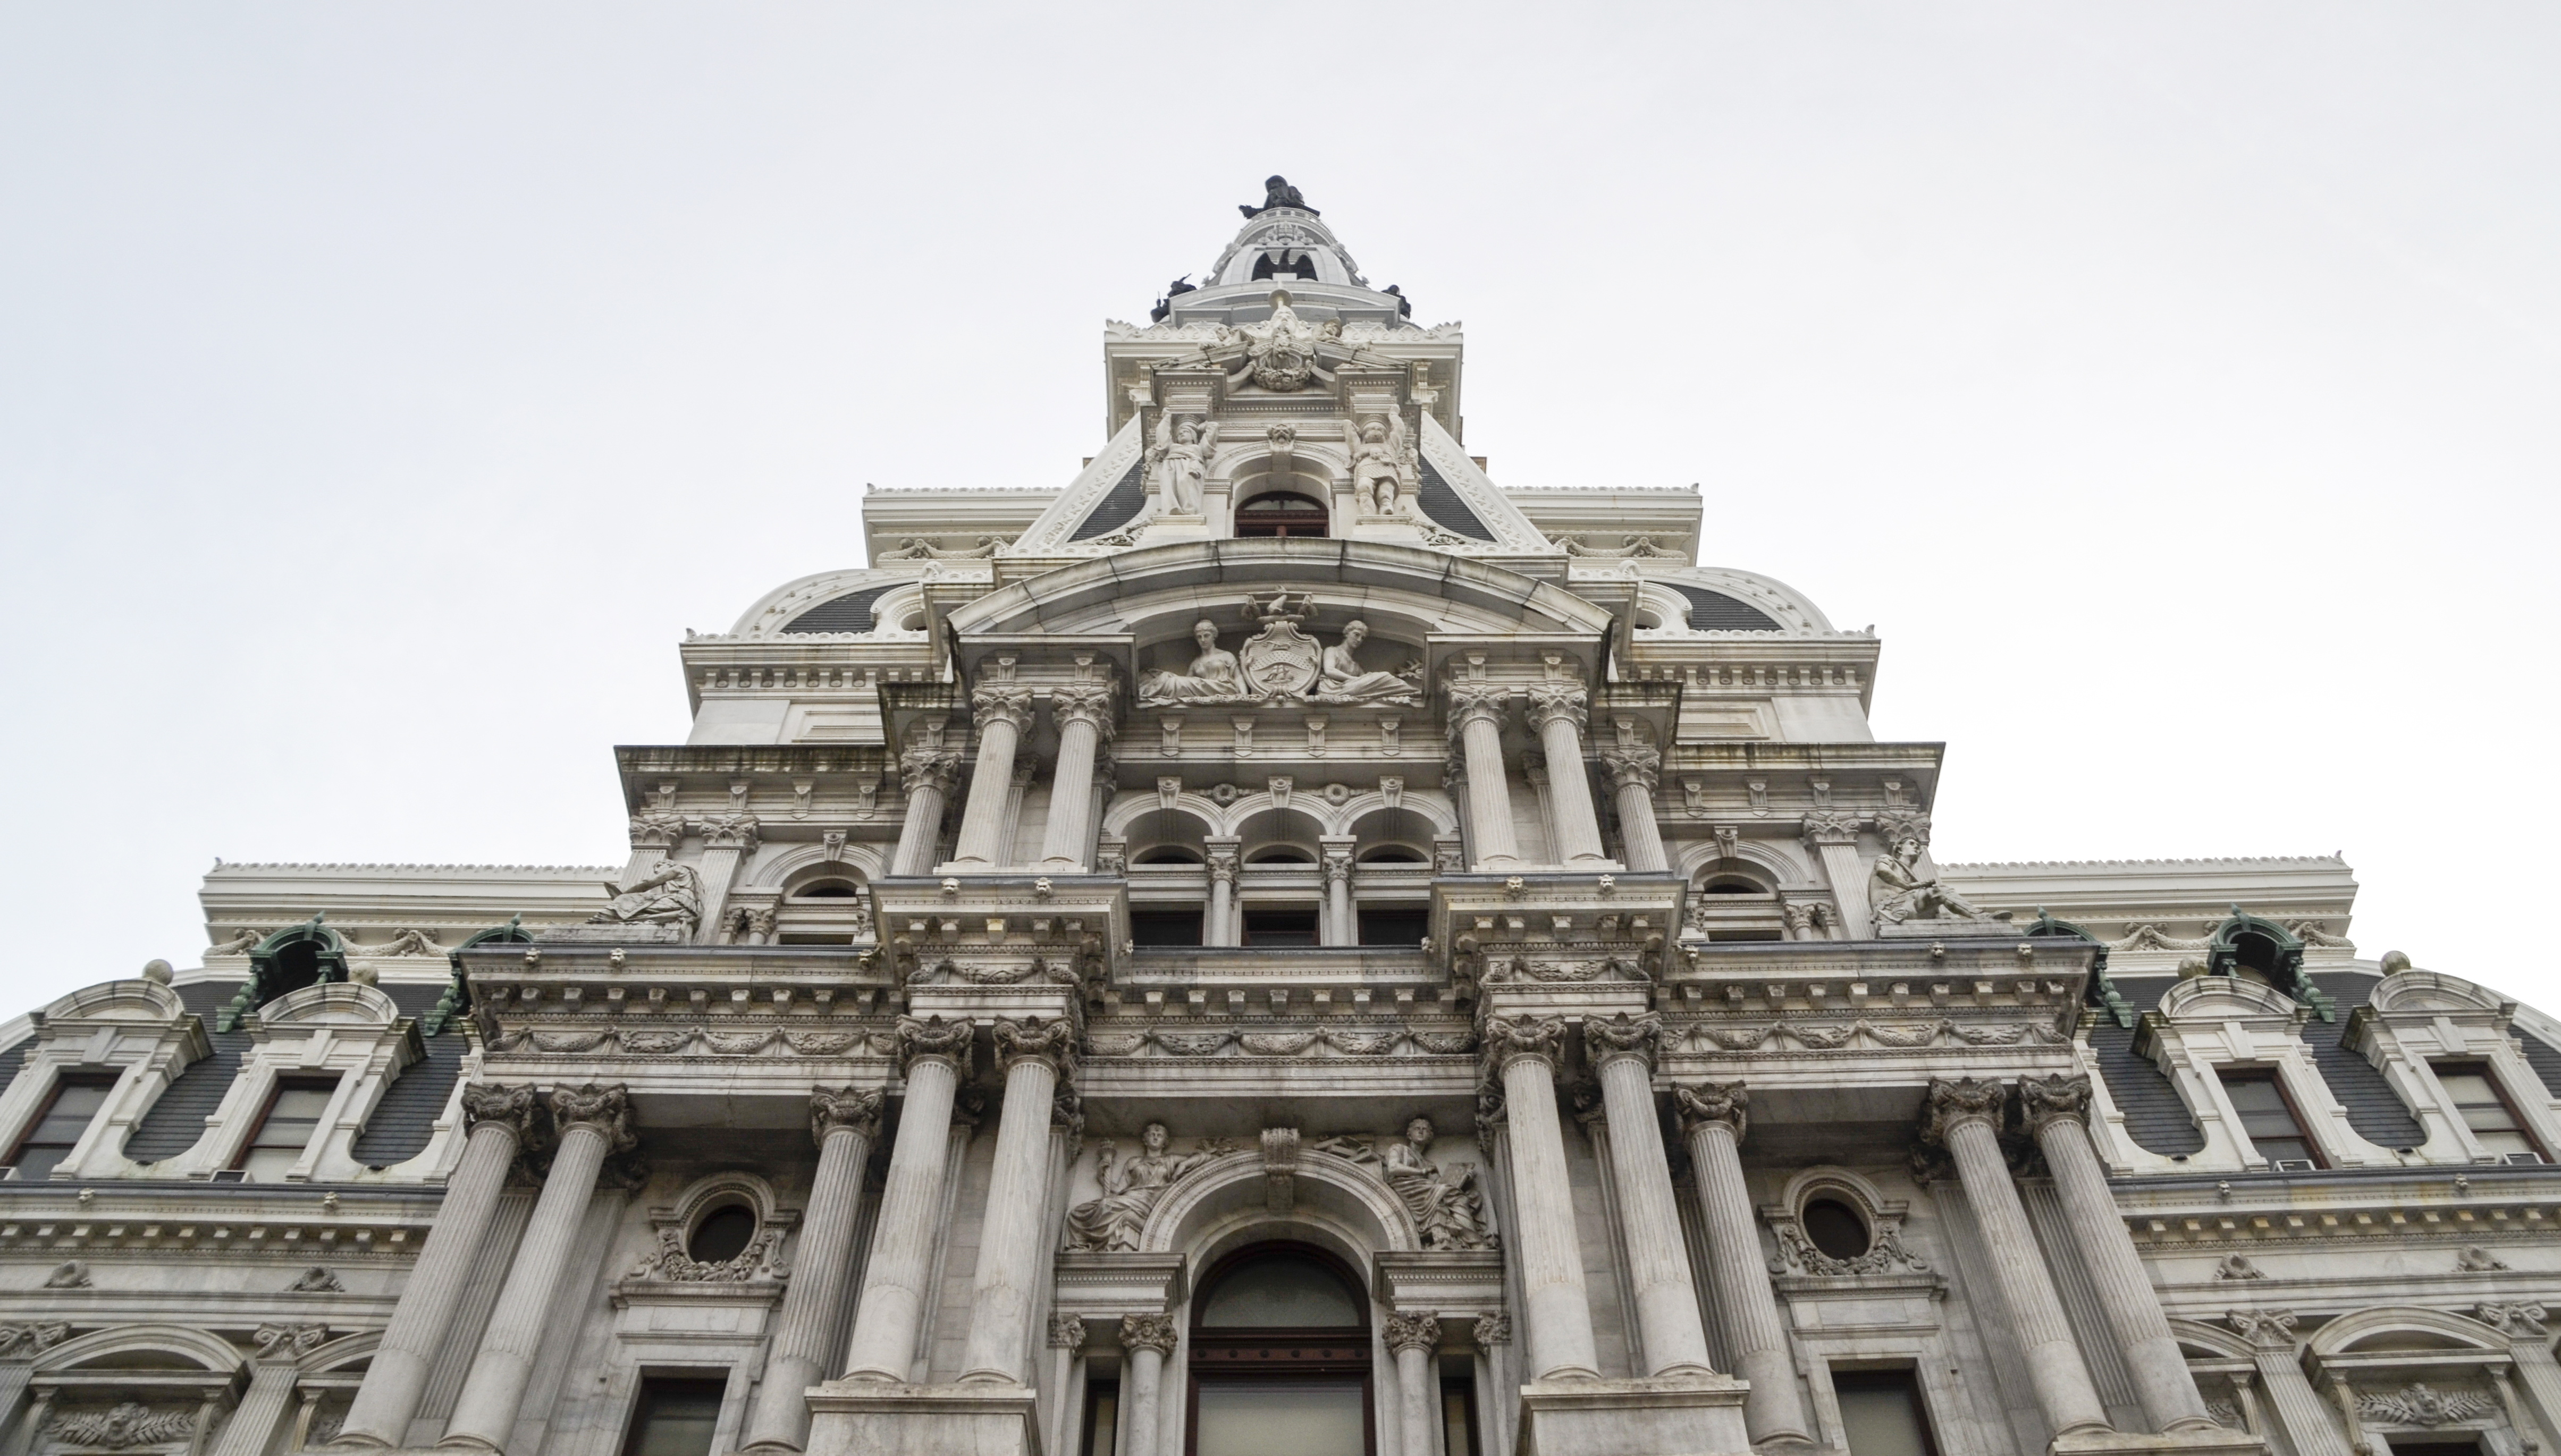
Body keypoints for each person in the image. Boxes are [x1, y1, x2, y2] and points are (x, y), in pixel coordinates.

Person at [1869, 836, 1987, 924]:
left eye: (1918, 846)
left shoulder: (1910, 873)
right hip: (1890, 906)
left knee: (1951, 918)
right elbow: (1883, 871)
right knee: (1939, 892)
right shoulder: (1887, 858)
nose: (1916, 847)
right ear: (1900, 849)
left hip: (1907, 904)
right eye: (1911, 844)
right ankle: (1981, 917)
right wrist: (1909, 887)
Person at [1138, 620, 1246, 703]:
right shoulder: (1196, 662)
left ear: (1214, 636)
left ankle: (1147, 694)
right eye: (1199, 637)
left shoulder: (1226, 655)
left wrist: (1245, 696)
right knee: (1169, 677)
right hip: (1202, 690)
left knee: (1175, 682)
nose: (1203, 640)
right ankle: (1146, 692)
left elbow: (1238, 677)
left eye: (1206, 636)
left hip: (1224, 690)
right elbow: (1187, 684)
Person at [1314, 620, 1420, 703]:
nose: (1359, 640)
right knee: (1385, 676)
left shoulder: (1356, 666)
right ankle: (1413, 691)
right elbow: (1329, 671)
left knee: (1384, 679)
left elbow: (1369, 685)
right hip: (1332, 690)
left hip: (1352, 688)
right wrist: (1354, 680)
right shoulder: (1332, 650)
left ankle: (1411, 691)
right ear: (1347, 633)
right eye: (1356, 634)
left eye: (1363, 638)